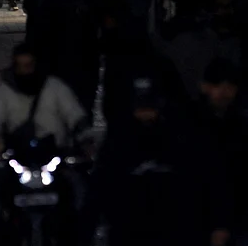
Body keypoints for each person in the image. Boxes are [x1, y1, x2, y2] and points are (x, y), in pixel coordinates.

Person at [81, 76, 232, 246]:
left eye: (149, 106)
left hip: (175, 230)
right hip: (130, 231)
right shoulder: (118, 141)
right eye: (140, 106)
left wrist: (220, 225)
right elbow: (99, 186)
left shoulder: (182, 136)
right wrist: (86, 231)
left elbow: (209, 180)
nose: (145, 112)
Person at [0, 43, 87, 246]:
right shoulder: (4, 92)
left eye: (29, 65)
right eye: (20, 66)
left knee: (82, 194)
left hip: (55, 158)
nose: (25, 71)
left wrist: (84, 139)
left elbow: (74, 114)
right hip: (17, 159)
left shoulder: (55, 88)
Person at [193, 59, 248, 245]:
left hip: (242, 224)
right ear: (204, 87)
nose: (224, 93)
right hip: (200, 225)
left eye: (230, 87)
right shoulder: (189, 127)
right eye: (218, 86)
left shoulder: (244, 129)